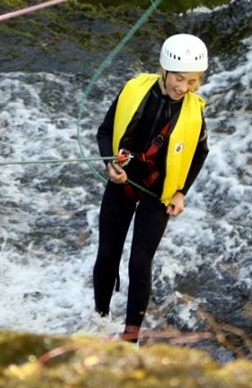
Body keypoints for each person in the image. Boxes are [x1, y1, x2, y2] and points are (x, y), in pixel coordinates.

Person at [93, 33, 210, 343]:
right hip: (123, 181)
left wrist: (182, 191)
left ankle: (131, 337)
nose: (183, 87)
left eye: (192, 81)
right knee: (108, 254)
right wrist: (109, 164)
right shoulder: (135, 91)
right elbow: (105, 132)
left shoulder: (194, 111)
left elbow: (200, 153)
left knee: (139, 263)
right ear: (164, 69)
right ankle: (99, 320)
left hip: (159, 191)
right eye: (179, 78)